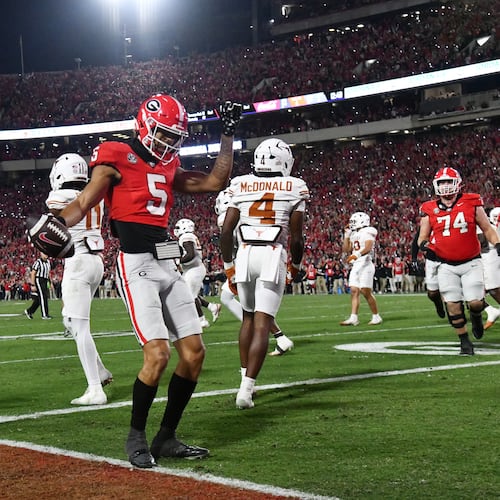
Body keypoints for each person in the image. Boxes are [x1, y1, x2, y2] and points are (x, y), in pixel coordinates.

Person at [49, 94, 241, 467]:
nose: (169, 142)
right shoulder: (115, 155)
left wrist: (228, 133)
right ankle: (135, 435)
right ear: (144, 124)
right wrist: (57, 225)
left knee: (195, 353)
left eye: (175, 136)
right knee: (158, 354)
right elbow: (85, 201)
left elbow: (216, 181)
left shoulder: (169, 166)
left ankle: (166, 437)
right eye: (165, 133)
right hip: (135, 263)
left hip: (168, 263)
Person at [220, 138, 309, 409]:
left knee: (247, 319)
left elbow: (225, 233)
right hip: (272, 254)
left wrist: (228, 268)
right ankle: (246, 391)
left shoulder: (239, 184)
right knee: (262, 322)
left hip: (245, 253)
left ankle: (243, 381)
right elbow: (296, 238)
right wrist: (295, 265)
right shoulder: (295, 187)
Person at [46, 153, 112, 405]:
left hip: (78, 261)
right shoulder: (94, 195)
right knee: (69, 319)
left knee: (79, 325)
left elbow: (52, 221)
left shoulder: (60, 195)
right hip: (96, 261)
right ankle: (101, 370)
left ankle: (95, 388)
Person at [418, 167, 500, 355]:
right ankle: (464, 341)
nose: (446, 186)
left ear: (458, 183)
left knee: (476, 303)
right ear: (436, 185)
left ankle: (477, 316)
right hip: (445, 264)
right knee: (453, 304)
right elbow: (422, 237)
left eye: (449, 182)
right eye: (442, 183)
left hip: (471, 262)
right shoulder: (429, 208)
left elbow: (486, 228)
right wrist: (425, 247)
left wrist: (497, 243)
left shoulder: (472, 201)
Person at [215, 188, 294, 357]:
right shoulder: (247, 213)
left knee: (249, 306)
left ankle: (274, 336)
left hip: (246, 262)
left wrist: (230, 265)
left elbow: (229, 240)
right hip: (260, 258)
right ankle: (279, 337)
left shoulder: (225, 218)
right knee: (235, 300)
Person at [173, 217, 221, 328]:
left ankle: (201, 320)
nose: (176, 230)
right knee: (189, 294)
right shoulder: (189, 237)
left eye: (178, 227)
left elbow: (190, 255)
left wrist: (178, 261)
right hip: (193, 269)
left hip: (194, 269)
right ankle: (212, 307)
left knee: (191, 296)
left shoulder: (186, 237)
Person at [340, 212, 382, 326]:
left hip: (366, 264)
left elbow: (368, 247)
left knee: (365, 291)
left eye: (353, 222)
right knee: (354, 291)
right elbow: (346, 249)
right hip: (356, 265)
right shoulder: (354, 233)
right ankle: (353, 318)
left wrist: (356, 255)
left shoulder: (368, 231)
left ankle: (376, 316)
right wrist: (346, 236)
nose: (351, 224)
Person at [411, 229, 446, 318]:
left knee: (449, 289)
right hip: (431, 260)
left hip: (446, 259)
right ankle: (438, 305)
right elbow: (416, 241)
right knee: (432, 293)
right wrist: (414, 258)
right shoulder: (427, 222)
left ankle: (453, 312)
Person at [478, 207, 500, 330]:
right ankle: (491, 311)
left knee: (492, 288)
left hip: (490, 257)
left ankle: (491, 312)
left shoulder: (487, 226)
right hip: (485, 258)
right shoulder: (486, 225)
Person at [24, 252, 52, 319]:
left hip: (45, 280)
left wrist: (50, 283)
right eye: (44, 254)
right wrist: (33, 284)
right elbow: (33, 273)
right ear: (41, 254)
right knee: (43, 297)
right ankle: (45, 315)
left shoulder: (48, 262)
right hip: (39, 279)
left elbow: (48, 273)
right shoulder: (38, 262)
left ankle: (29, 311)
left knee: (40, 299)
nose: (46, 255)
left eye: (46, 254)